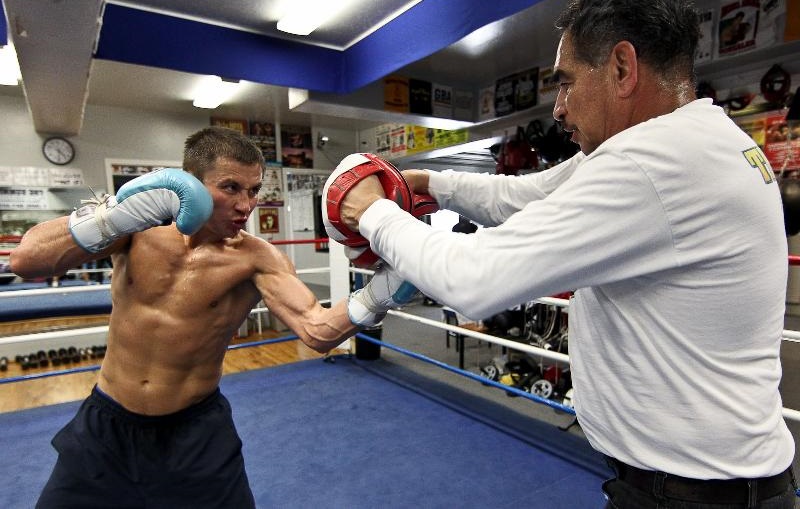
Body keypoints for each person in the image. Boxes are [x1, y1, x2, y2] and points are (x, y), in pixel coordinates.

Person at [336, 1, 798, 507]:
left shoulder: (652, 162)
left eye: (565, 82)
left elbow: (472, 280)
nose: (558, 108)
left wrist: (369, 211)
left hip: (694, 494)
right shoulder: (692, 138)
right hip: (697, 484)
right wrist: (425, 183)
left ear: (622, 68)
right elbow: (523, 196)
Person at [10, 126, 410, 508]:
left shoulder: (257, 258)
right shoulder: (137, 233)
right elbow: (26, 260)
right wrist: (115, 214)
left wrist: (379, 294)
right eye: (230, 187)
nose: (246, 205)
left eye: (254, 190)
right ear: (190, 182)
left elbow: (317, 330)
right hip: (106, 425)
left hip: (195, 435)